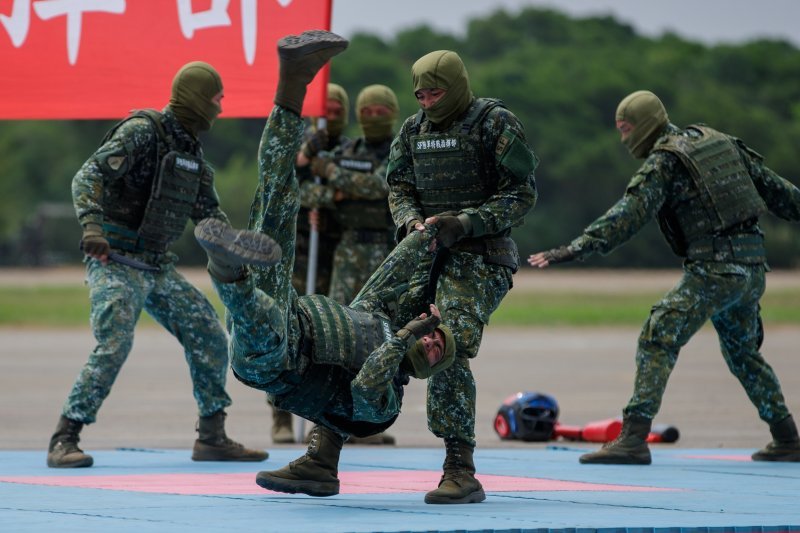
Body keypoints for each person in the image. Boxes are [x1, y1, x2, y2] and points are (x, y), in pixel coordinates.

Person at [192, 29, 456, 498]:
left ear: (425, 369)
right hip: (297, 312)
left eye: (436, 350)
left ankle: (226, 267)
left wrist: (405, 337)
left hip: (279, 361)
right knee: (277, 198)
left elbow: (370, 377)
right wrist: (428, 233)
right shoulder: (376, 317)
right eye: (437, 335)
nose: (431, 340)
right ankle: (293, 83)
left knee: (258, 321)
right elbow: (389, 271)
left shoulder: (384, 406)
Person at [529, 90, 800, 465]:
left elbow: (628, 215)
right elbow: (781, 194)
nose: (624, 140)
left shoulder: (665, 161)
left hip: (714, 270)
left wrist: (573, 249)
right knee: (743, 355)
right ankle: (786, 437)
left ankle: (634, 438)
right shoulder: (717, 142)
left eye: (626, 130)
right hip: (752, 270)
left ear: (644, 126)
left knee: (658, 335)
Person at [47, 61, 269, 469]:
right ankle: (65, 437)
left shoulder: (192, 155)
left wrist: (236, 248)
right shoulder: (142, 132)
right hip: (113, 258)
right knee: (115, 343)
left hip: (156, 266)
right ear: (200, 99)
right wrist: (92, 227)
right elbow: (87, 176)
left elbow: (209, 219)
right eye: (217, 99)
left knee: (208, 332)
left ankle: (212, 436)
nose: (220, 108)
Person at [386, 50, 539, 503]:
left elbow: (521, 194)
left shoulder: (494, 123)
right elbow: (399, 187)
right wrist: (412, 222)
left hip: (481, 256)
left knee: (442, 343)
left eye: (435, 93)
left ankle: (460, 469)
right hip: (423, 251)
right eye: (420, 95)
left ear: (455, 87)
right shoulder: (412, 130)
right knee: (368, 329)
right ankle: (326, 450)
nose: (427, 102)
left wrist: (468, 222)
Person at [300, 84, 401, 445]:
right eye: (367, 113)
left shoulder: (400, 150)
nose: (373, 118)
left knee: (380, 337)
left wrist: (333, 174)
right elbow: (307, 191)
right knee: (340, 336)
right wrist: (333, 191)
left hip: (387, 253)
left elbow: (381, 186)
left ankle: (370, 420)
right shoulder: (348, 150)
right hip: (347, 251)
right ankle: (337, 421)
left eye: (381, 112)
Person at [269, 83, 350, 444]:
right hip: (298, 256)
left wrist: (329, 198)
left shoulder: (352, 150)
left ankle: (332, 417)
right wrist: (320, 192)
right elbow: (281, 184)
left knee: (336, 340)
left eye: (334, 111)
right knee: (289, 335)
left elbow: (362, 192)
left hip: (337, 255)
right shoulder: (298, 149)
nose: (328, 118)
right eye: (323, 110)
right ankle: (281, 416)